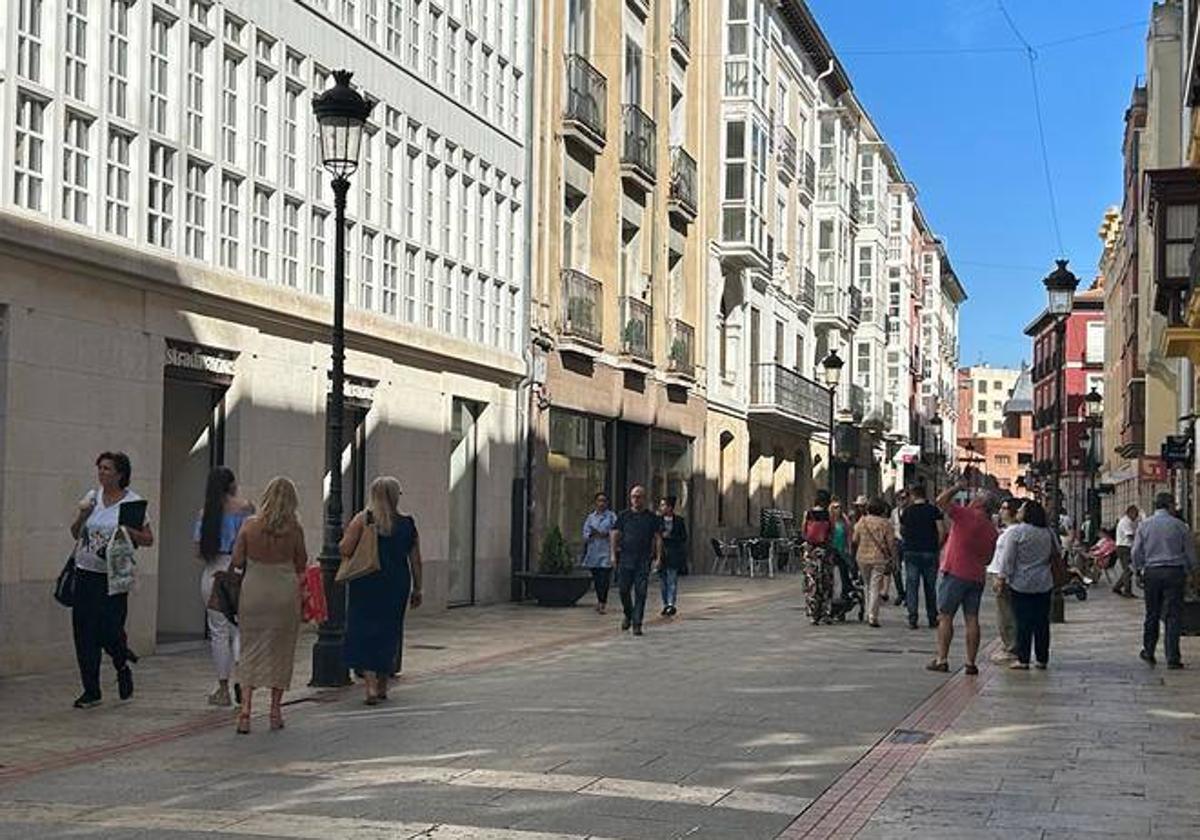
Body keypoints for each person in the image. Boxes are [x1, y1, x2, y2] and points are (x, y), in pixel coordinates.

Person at [68, 452, 155, 709]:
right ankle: (91, 690)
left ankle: (121, 663)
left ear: (120, 474)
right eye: (100, 468)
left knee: (110, 629)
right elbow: (75, 533)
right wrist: (83, 515)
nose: (102, 473)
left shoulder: (132, 503)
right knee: (84, 631)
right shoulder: (92, 498)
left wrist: (130, 532)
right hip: (85, 571)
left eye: (107, 469)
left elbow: (148, 539)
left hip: (114, 577)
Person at [231, 477, 307, 733]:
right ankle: (275, 711)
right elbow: (301, 563)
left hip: (253, 590)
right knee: (281, 651)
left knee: (249, 649)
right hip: (284, 592)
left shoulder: (249, 525)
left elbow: (238, 559)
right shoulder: (295, 529)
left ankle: (245, 711)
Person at [341, 476, 424, 705]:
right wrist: (418, 588)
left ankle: (369, 686)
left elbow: (345, 548)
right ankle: (383, 684)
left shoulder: (363, 519)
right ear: (396, 496)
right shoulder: (407, 523)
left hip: (366, 582)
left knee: (364, 629)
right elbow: (416, 560)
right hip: (396, 583)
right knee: (389, 631)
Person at [193, 467, 254, 707]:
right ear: (232, 485)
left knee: (218, 632)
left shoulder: (204, 513)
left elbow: (197, 551)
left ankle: (222, 688)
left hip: (212, 570)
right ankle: (242, 679)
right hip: (239, 570)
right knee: (239, 628)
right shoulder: (246, 509)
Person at [927, 481, 998, 676]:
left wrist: (957, 487)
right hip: (976, 576)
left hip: (955, 571)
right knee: (972, 618)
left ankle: (942, 659)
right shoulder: (991, 529)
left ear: (980, 503)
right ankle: (970, 662)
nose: (972, 499)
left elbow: (940, 501)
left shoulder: (966, 515)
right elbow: (989, 558)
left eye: (976, 497)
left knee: (946, 616)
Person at [1131, 492, 1196, 670]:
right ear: (1169, 505)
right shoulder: (1180, 526)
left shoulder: (1145, 526)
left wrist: (1138, 570)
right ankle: (1172, 657)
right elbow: (1190, 552)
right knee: (1173, 615)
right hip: (1175, 572)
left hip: (1152, 572)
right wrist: (1192, 572)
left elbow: (1136, 551)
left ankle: (1149, 650)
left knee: (1152, 613)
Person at [996, 500, 1058, 670]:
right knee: (1041, 622)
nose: (1019, 511)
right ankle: (1042, 658)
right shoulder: (1048, 532)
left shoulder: (1016, 532)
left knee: (1023, 621)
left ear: (1027, 513)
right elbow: (1057, 553)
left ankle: (1023, 658)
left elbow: (1008, 559)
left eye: (1022, 509)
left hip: (1021, 583)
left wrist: (1002, 578)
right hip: (1044, 582)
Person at [609, 485, 662, 636]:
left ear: (644, 499)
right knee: (623, 590)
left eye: (639, 497)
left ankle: (637, 623)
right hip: (626, 558)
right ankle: (628, 613)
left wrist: (658, 558)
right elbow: (614, 534)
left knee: (641, 592)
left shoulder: (651, 517)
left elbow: (658, 538)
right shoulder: (624, 515)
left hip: (643, 560)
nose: (636, 500)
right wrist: (613, 554)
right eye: (633, 496)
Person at [900, 484, 942, 630]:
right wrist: (938, 545)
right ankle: (932, 617)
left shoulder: (907, 511)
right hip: (930, 551)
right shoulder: (933, 510)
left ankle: (913, 617)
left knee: (912, 585)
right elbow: (941, 530)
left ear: (913, 496)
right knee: (930, 586)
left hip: (911, 551)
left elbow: (902, 530)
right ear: (925, 495)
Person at [852, 498, 897, 627]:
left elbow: (855, 539)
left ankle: (868, 612)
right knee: (875, 586)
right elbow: (891, 543)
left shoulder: (862, 521)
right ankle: (873, 616)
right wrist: (894, 558)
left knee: (866, 584)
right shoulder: (885, 523)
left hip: (862, 557)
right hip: (879, 558)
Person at [986, 497, 1020, 664]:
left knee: (1006, 613)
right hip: (1000, 574)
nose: (1000, 511)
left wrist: (1001, 577)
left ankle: (1011, 647)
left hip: (1003, 576)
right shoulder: (1008, 532)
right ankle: (1009, 644)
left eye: (1004, 508)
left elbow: (1007, 558)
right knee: (1005, 611)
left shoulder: (1012, 533)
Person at [581, 493, 617, 614]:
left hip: (606, 551)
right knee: (597, 578)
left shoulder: (611, 517)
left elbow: (616, 532)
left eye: (604, 501)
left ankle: (603, 602)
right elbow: (585, 534)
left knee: (604, 578)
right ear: (595, 502)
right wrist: (592, 534)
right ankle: (599, 599)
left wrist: (607, 535)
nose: (601, 503)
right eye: (599, 501)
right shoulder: (591, 517)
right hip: (594, 551)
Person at [657, 496, 689, 617]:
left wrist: (670, 536)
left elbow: (684, 537)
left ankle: (671, 604)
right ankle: (665, 603)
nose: (661, 508)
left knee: (672, 579)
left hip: (674, 553)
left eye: (663, 505)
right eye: (661, 505)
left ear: (670, 507)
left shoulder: (679, 521)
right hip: (661, 553)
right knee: (663, 581)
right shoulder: (658, 520)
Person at [1114, 505, 1140, 597]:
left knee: (1129, 569)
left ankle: (1117, 587)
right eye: (1135, 514)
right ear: (1130, 513)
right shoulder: (1125, 522)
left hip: (1128, 547)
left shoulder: (1132, 521)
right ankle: (1127, 591)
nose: (1137, 516)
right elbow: (1130, 535)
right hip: (1124, 548)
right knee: (1128, 570)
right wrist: (1140, 540)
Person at [890, 488, 909, 605]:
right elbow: (892, 526)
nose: (902, 501)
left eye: (904, 499)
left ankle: (908, 594)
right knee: (896, 569)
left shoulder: (911, 511)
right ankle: (900, 593)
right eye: (899, 499)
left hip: (908, 542)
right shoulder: (894, 512)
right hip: (897, 541)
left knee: (908, 571)